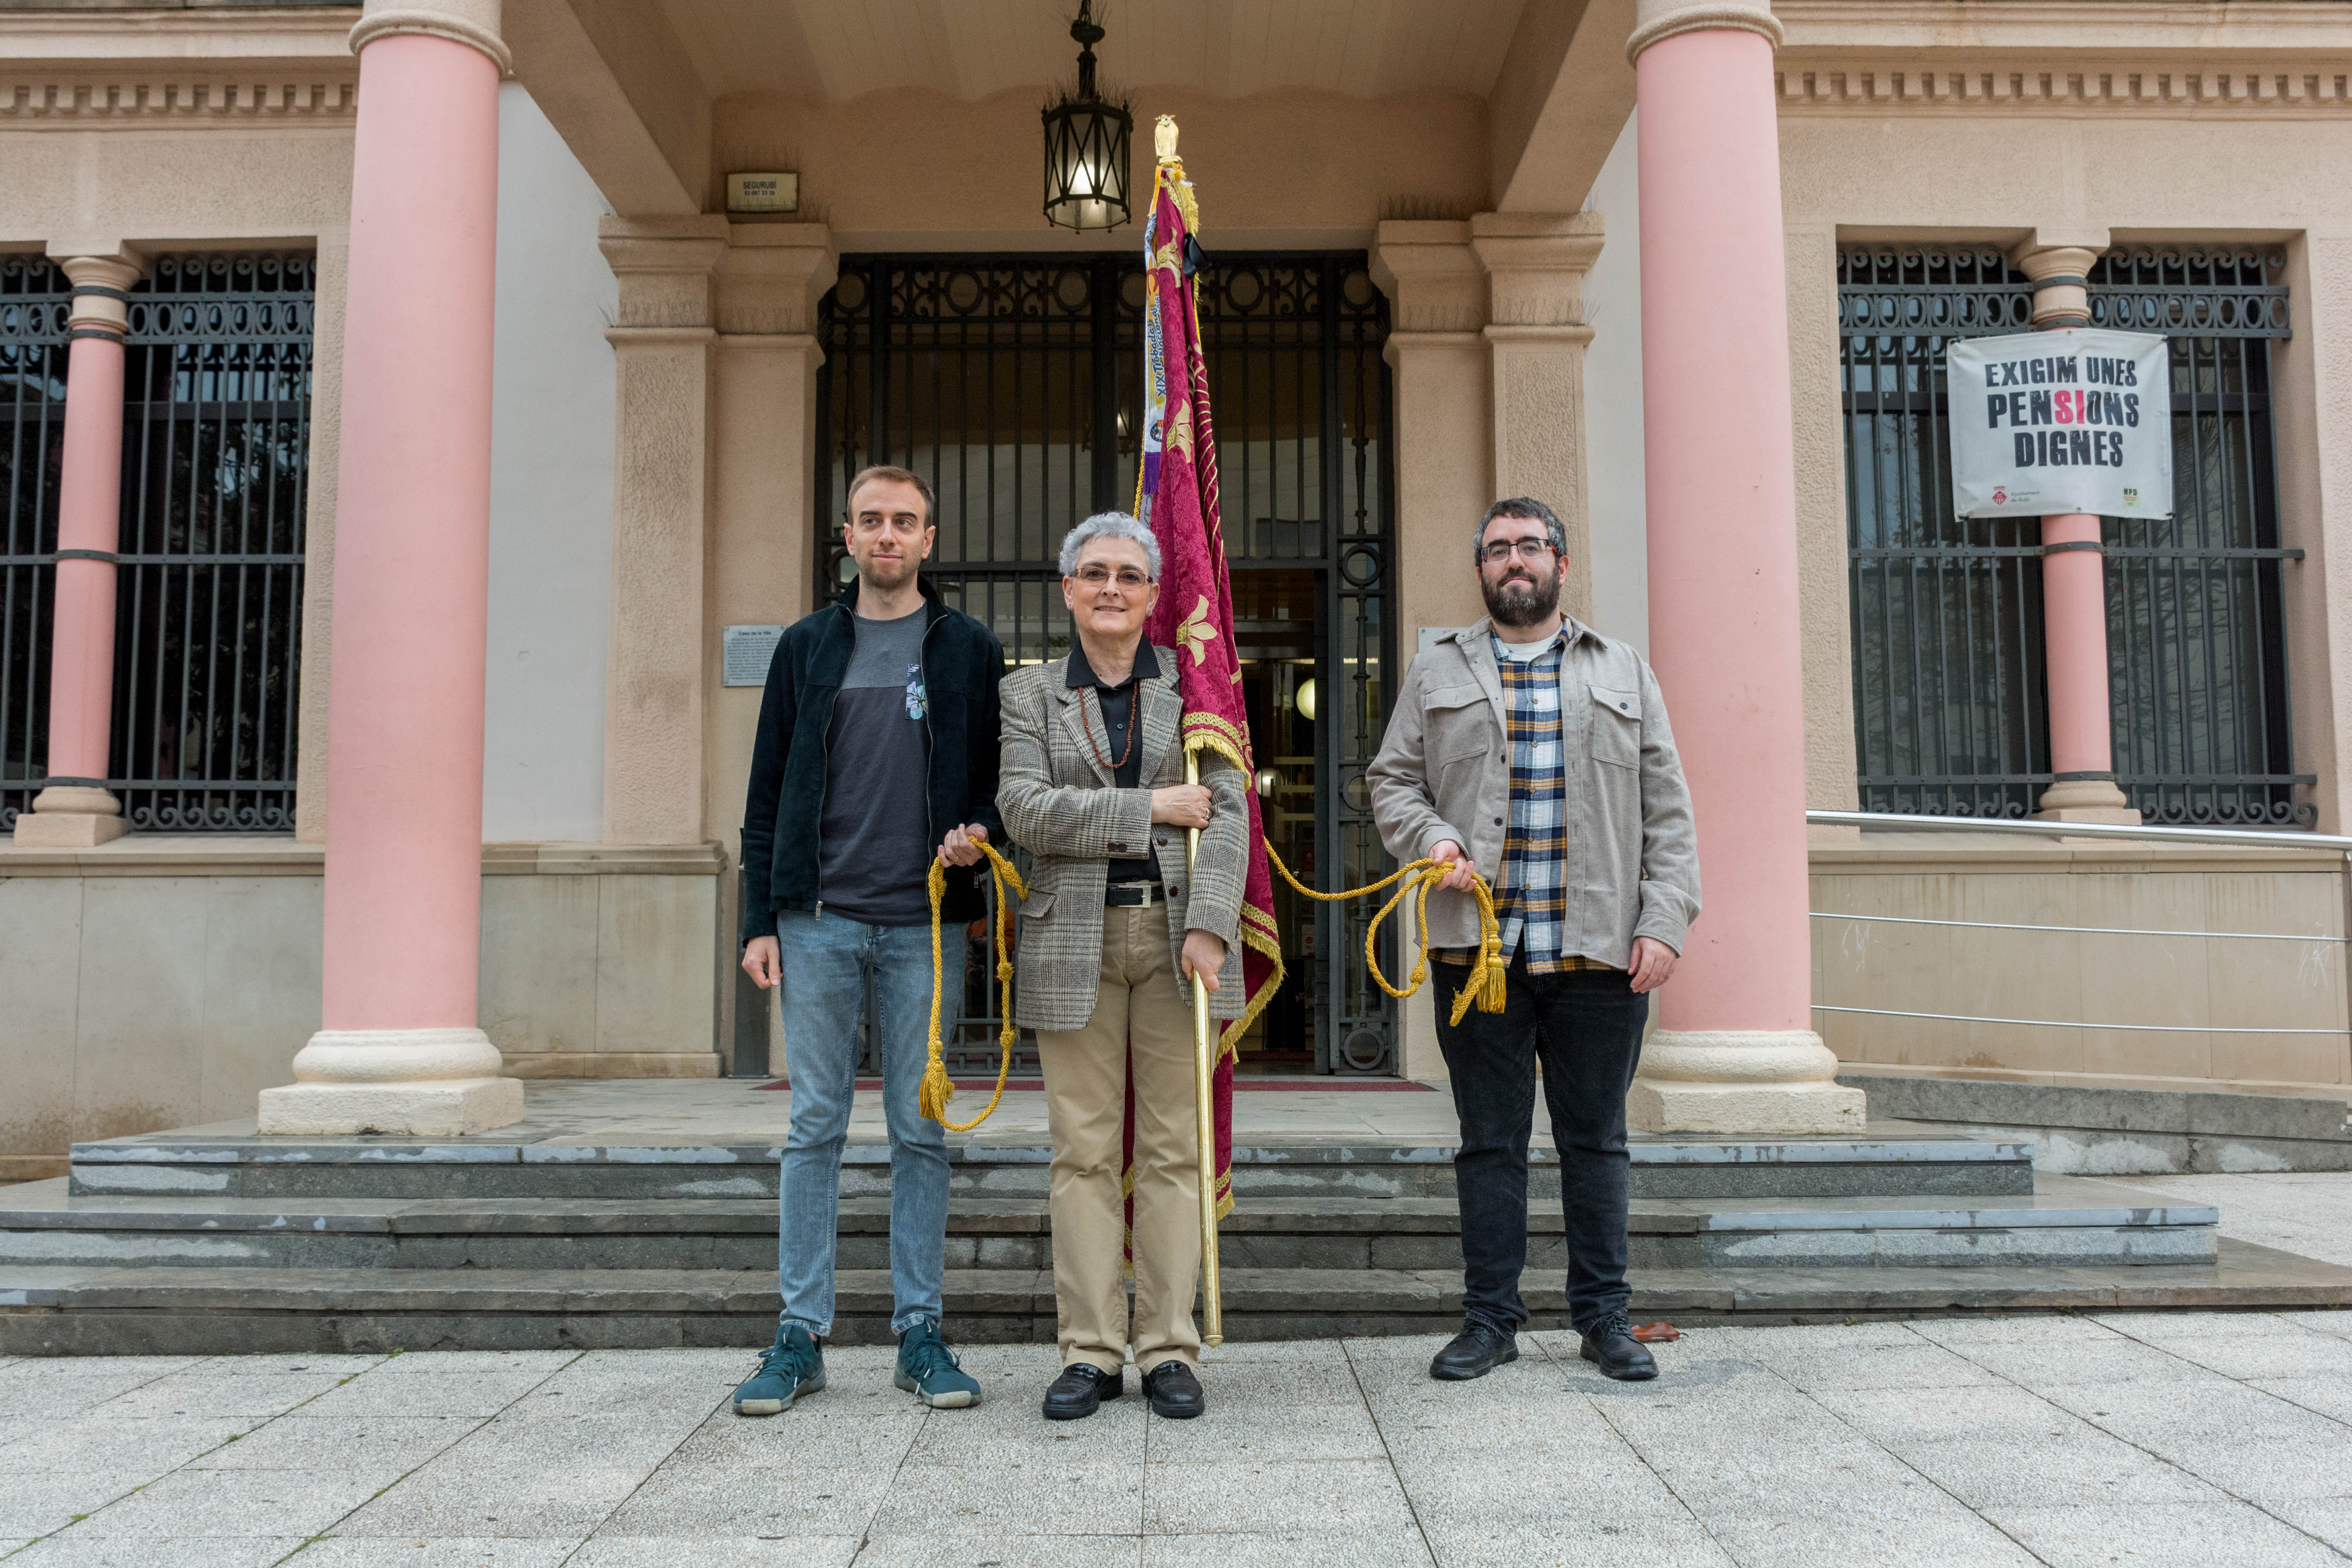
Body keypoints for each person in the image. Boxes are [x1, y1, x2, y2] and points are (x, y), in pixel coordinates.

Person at [1367, 497, 1700, 1384]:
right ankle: (1491, 1319)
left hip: (1599, 949)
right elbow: (1392, 780)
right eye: (1497, 549)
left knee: (1596, 1140)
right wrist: (1433, 837)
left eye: (1530, 545)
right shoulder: (1437, 667)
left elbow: (1668, 811)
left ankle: (1604, 1317)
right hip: (1478, 955)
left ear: (1560, 560)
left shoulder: (1623, 668)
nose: (1515, 560)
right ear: (1480, 569)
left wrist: (1664, 921)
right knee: (1489, 1140)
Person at [731, 464, 1005, 1416]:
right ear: (845, 535)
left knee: (917, 1128)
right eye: (871, 520)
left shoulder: (968, 646)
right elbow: (765, 795)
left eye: (905, 521)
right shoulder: (807, 646)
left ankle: (919, 1332)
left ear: (930, 537)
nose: (887, 535)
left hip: (925, 925)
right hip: (816, 922)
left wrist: (979, 834)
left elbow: (995, 781)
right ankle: (799, 1334)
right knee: (814, 1126)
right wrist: (759, 919)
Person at [996, 510, 1247, 1423]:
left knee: (1177, 1150)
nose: (1111, 587)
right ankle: (1092, 1351)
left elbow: (1225, 813)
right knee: (1085, 1155)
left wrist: (1214, 925)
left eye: (1129, 575)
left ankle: (1171, 1347)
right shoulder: (1026, 696)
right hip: (1073, 942)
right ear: (1068, 591)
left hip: (1178, 940)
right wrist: (1149, 807)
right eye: (1093, 572)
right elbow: (1023, 808)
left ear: (1152, 595)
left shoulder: (1195, 684)